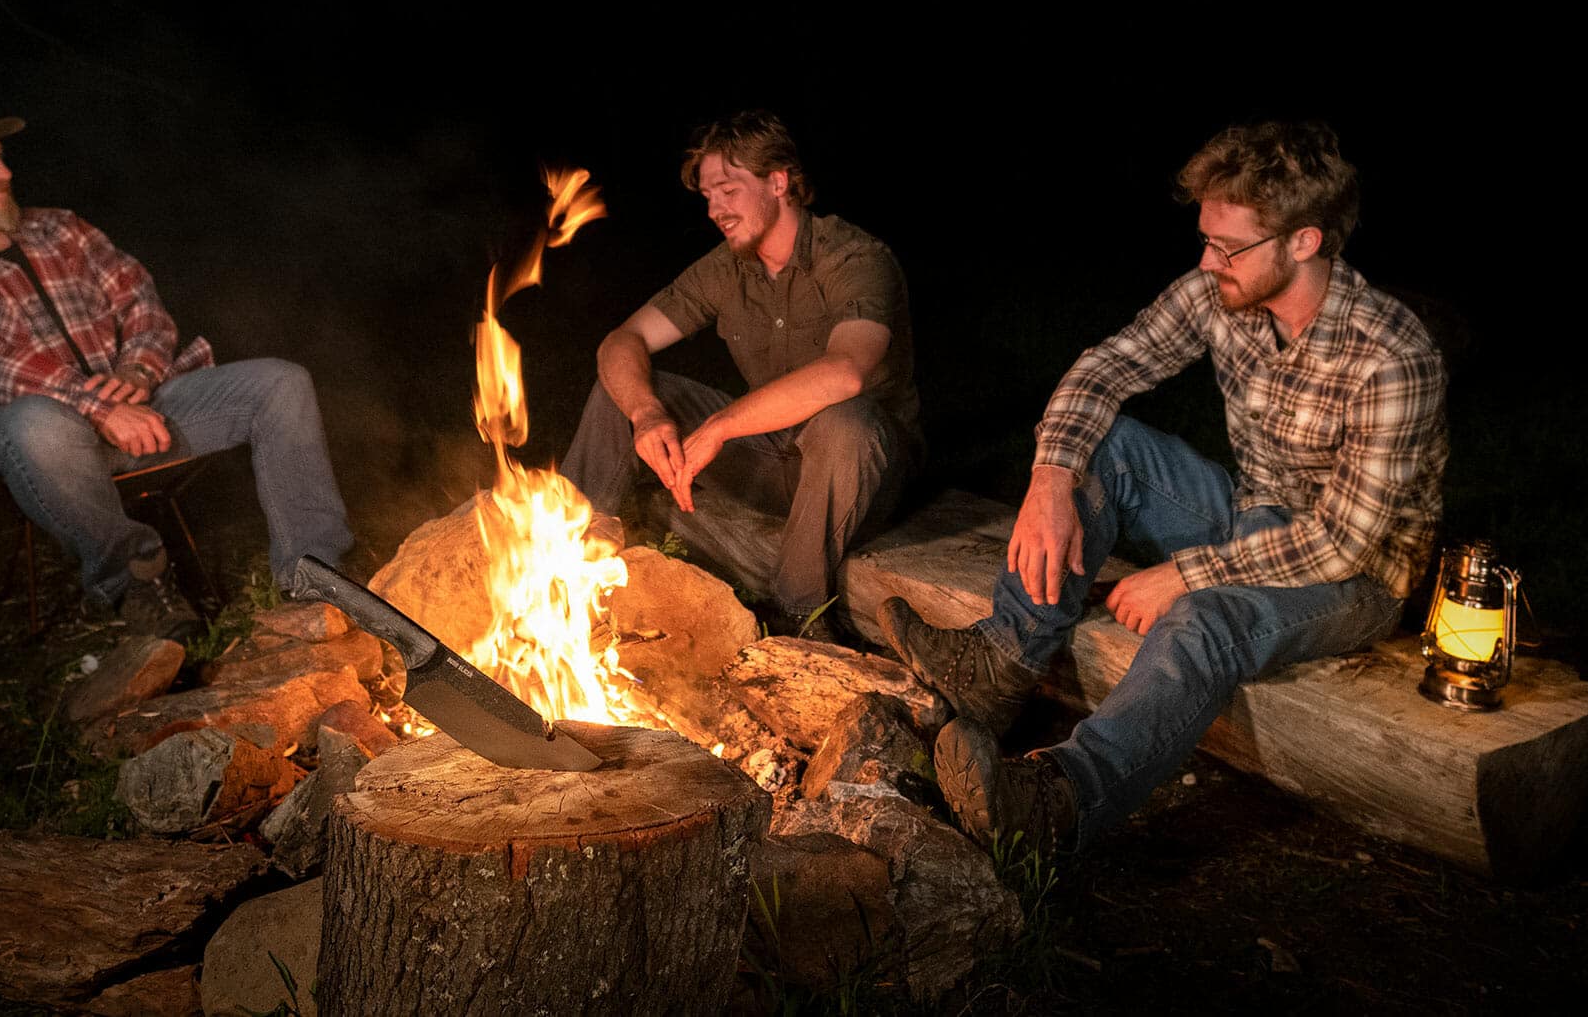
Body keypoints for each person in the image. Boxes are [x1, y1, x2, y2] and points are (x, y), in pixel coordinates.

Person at [876, 120, 1447, 855]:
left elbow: (1342, 540)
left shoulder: (1392, 355)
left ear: (1304, 241)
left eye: (1227, 246)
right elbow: (1105, 367)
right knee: (1100, 446)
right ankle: (1002, 661)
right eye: (1206, 239)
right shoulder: (1222, 290)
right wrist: (1051, 474)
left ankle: (1059, 799)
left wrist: (1184, 574)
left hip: (1356, 575)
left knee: (1201, 619)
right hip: (1250, 513)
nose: (1208, 262)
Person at [0, 99, 354, 627]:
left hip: (145, 407)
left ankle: (315, 574)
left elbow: (140, 302)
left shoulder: (62, 229)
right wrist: (96, 406)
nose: (3, 172)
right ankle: (140, 585)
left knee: (280, 382)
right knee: (29, 423)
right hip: (55, 448)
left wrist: (137, 373)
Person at [561, 110, 920, 629]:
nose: (715, 209)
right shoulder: (728, 268)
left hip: (864, 471)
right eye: (708, 196)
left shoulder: (854, 259)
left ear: (779, 182)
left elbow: (846, 373)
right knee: (625, 389)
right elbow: (624, 340)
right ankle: (567, 560)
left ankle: (801, 617)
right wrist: (645, 413)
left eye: (728, 190)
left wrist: (719, 427)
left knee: (847, 420)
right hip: (772, 457)